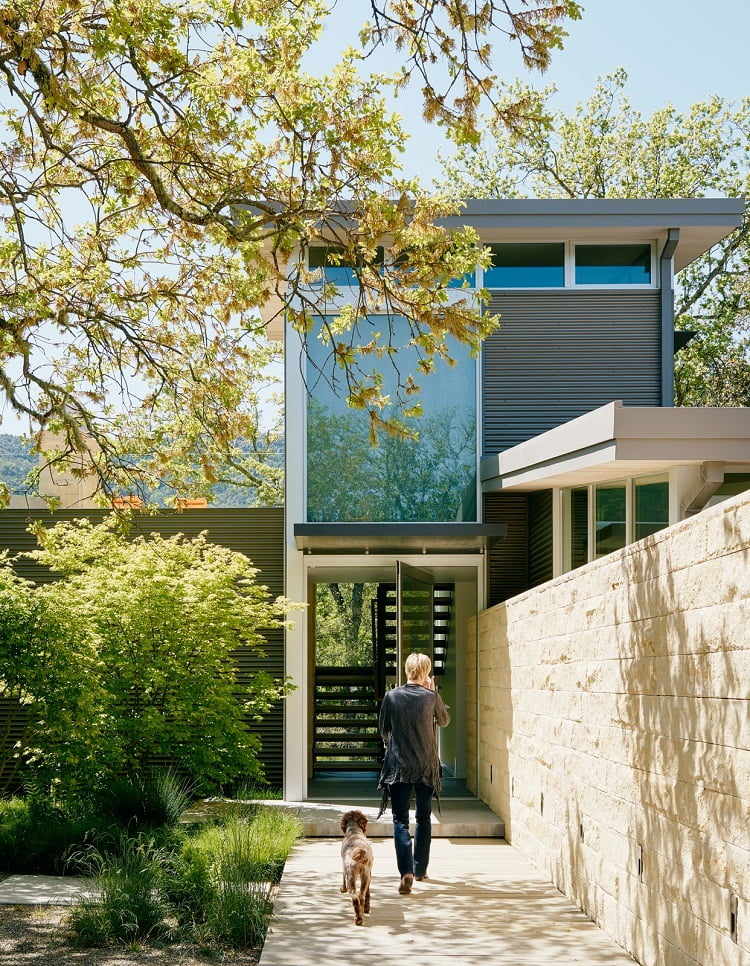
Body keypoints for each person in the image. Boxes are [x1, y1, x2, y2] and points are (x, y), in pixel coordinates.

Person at [376, 652, 450, 894]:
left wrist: (392, 745)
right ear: (426, 671)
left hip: (398, 767)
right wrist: (433, 691)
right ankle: (420, 870)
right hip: (426, 766)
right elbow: (445, 720)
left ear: (407, 670)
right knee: (423, 818)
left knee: (400, 819)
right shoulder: (431, 697)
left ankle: (405, 871)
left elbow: (384, 730)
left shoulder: (392, 696)